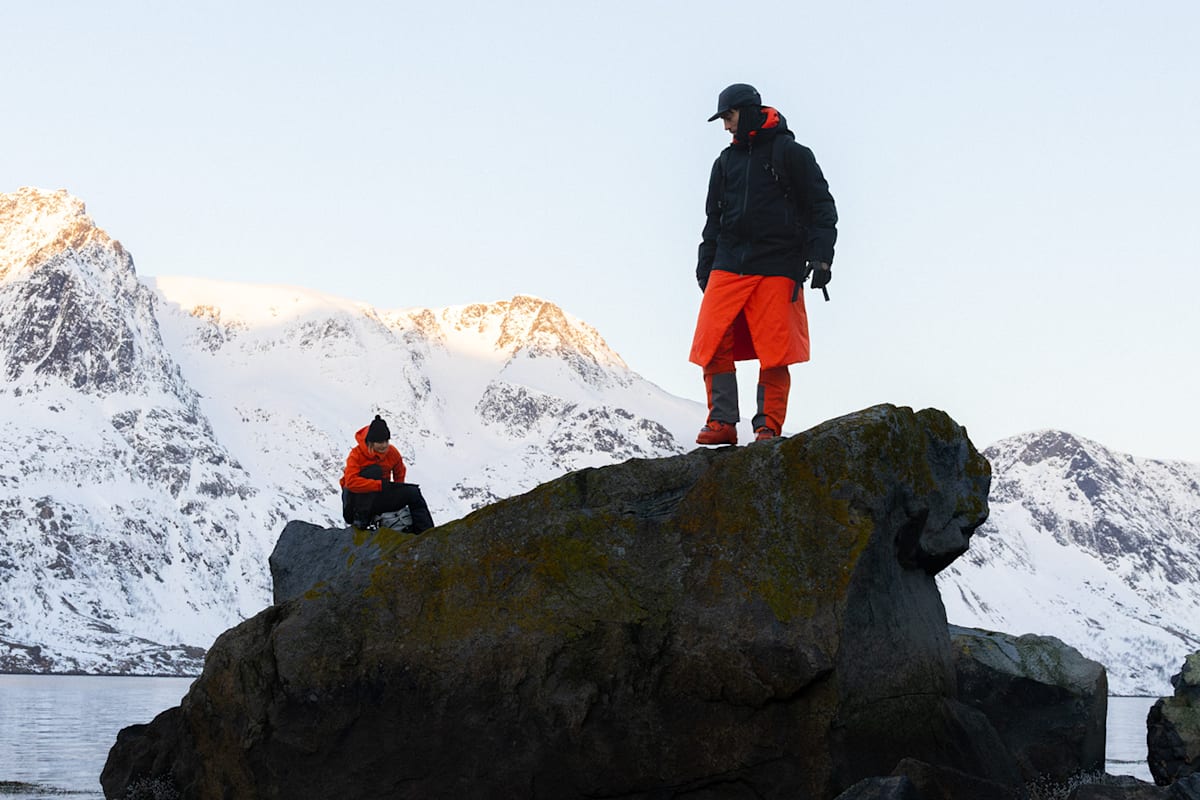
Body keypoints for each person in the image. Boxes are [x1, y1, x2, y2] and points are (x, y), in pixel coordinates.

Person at [690, 83, 838, 445]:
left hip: (779, 264)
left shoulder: (792, 153)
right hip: (728, 264)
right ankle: (722, 422)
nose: (725, 126)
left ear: (750, 112)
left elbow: (822, 207)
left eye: (729, 117)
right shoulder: (724, 163)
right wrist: (706, 263)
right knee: (711, 339)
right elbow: (714, 218)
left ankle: (767, 427)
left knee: (776, 350)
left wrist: (821, 257)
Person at [340, 415, 435, 532]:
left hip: (380, 495)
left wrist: (396, 490)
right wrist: (379, 485)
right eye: (380, 442)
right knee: (374, 471)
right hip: (356, 504)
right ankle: (362, 521)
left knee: (413, 493)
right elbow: (350, 483)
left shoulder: (392, 452)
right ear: (371, 442)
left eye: (386, 441)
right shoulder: (356, 455)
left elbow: (399, 471)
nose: (384, 445)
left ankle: (426, 533)